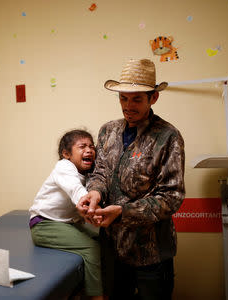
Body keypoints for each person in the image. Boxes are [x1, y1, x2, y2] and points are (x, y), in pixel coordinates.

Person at [77, 58, 185, 300]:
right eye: (123, 98)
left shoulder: (168, 137)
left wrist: (122, 213)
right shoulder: (108, 131)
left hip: (153, 253)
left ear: (153, 98)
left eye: (137, 98)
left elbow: (171, 197)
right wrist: (94, 193)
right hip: (113, 249)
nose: (128, 105)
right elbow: (100, 173)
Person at [29, 129, 105, 300]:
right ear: (66, 154)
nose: (89, 150)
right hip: (44, 225)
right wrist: (86, 203)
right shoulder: (64, 166)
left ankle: (99, 289)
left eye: (92, 147)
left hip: (65, 225)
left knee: (103, 240)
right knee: (92, 247)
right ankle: (96, 296)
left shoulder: (89, 174)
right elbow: (75, 189)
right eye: (82, 146)